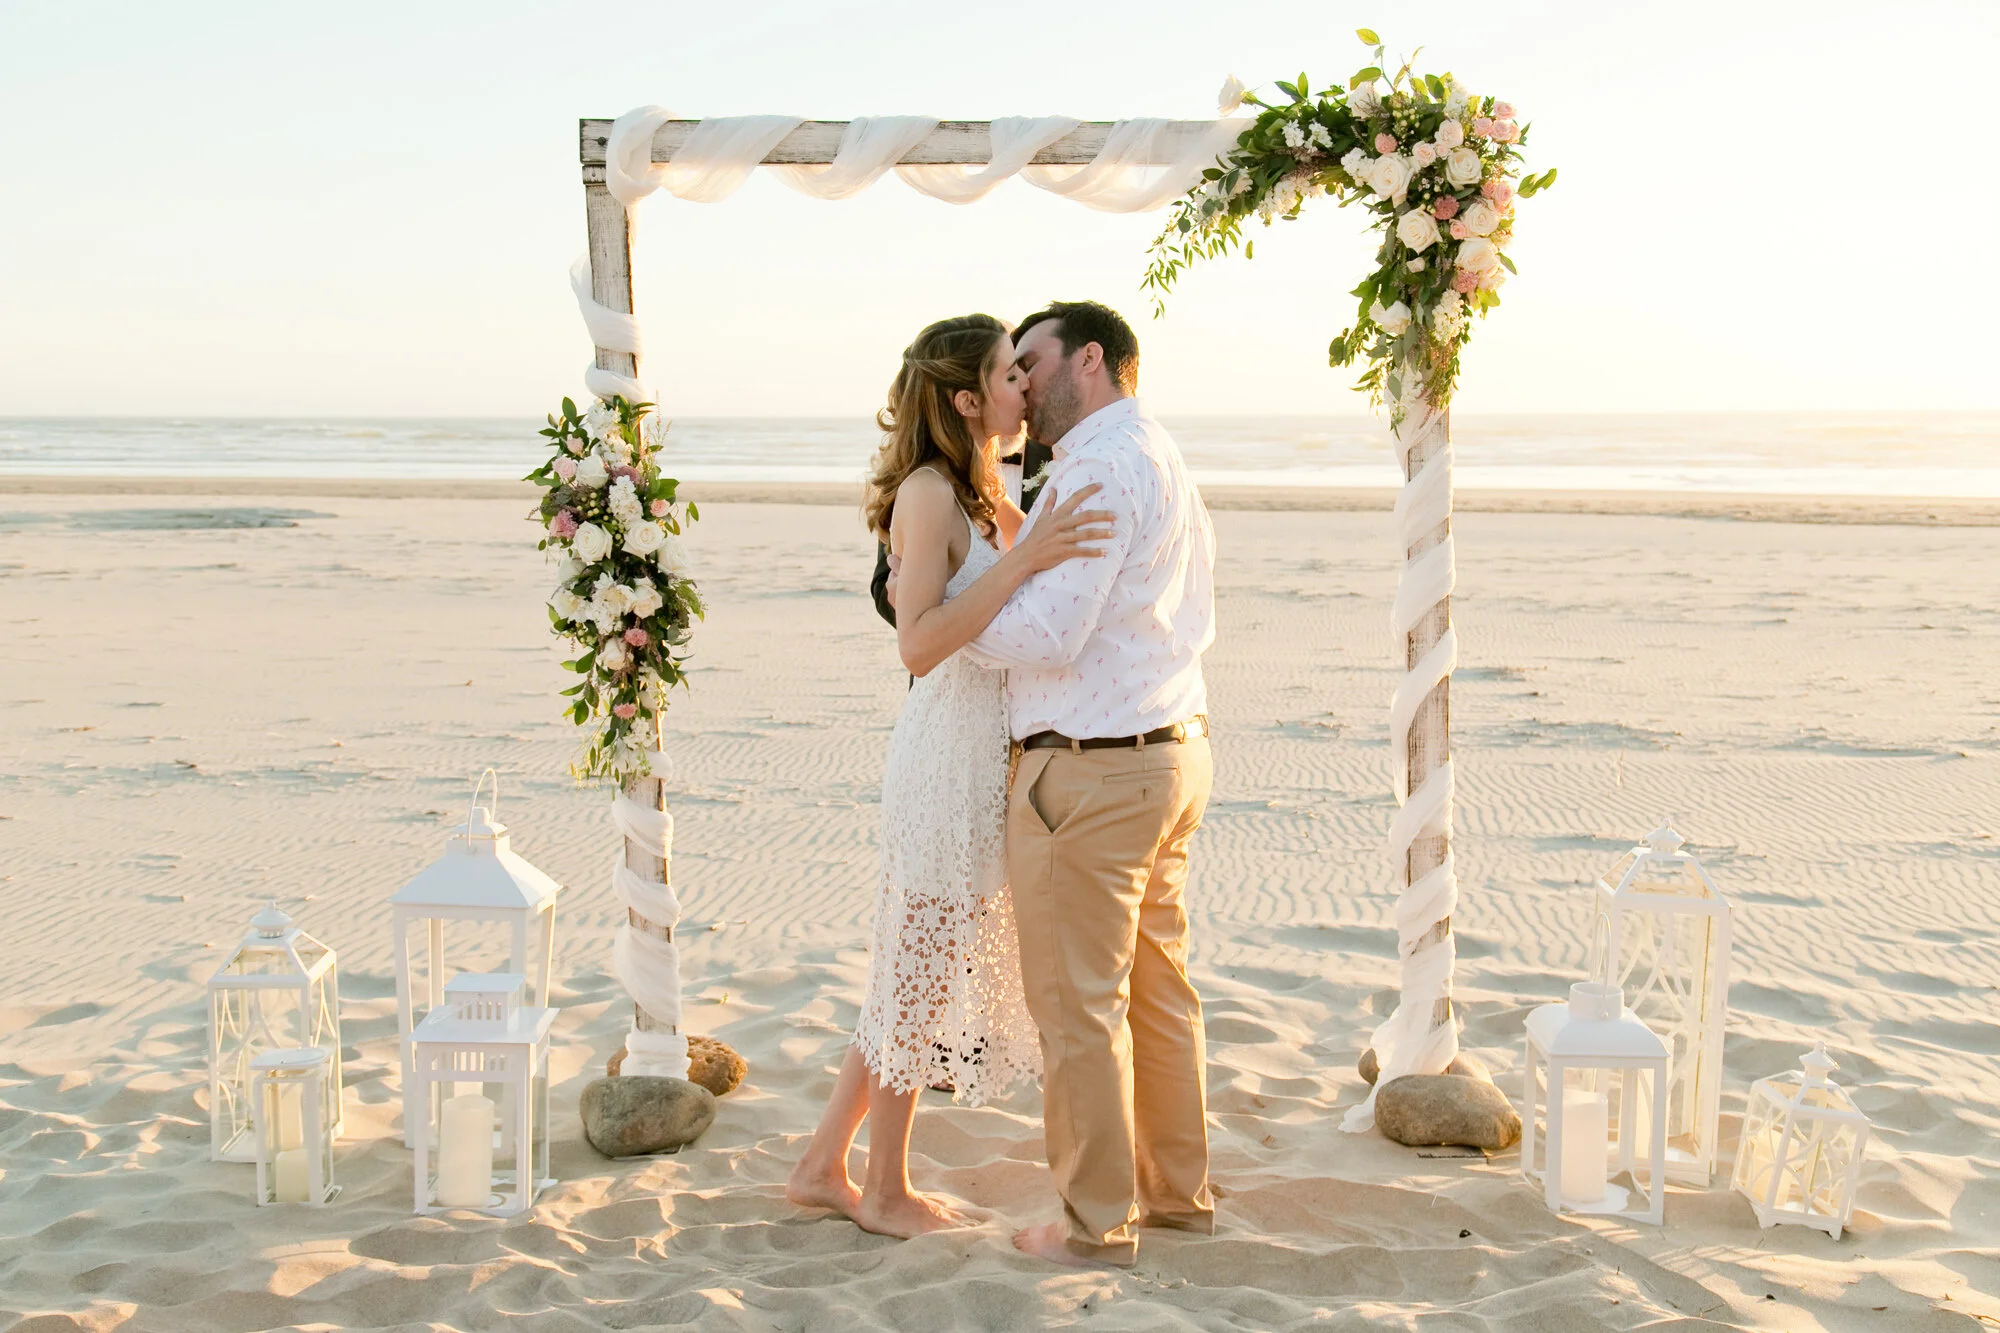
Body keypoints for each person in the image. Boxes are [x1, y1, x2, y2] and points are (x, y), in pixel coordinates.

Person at [786, 313, 1114, 1238]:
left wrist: (1039, 542)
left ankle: (820, 1165)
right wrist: (1028, 559)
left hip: (982, 756)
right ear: (968, 399)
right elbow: (920, 643)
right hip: (943, 759)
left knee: (909, 970)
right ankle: (884, 1190)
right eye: (1010, 374)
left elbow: (1034, 584)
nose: (1025, 386)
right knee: (917, 978)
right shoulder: (930, 494)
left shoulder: (982, 488)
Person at [960, 300, 1219, 1268]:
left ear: (1092, 361)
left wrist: (948, 619)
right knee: (1157, 993)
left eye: (1031, 362)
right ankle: (1176, 1195)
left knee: (1077, 1007)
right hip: (1169, 752)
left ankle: (1096, 1224)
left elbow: (1049, 631)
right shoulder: (1158, 452)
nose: (1019, 385)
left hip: (1093, 771)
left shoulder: (1098, 467)